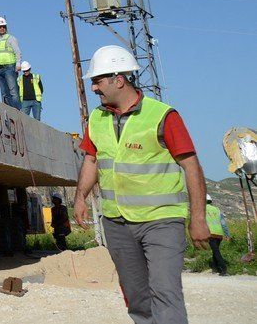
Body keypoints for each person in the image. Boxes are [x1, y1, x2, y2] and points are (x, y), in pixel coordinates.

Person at [72, 45, 208, 324]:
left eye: (97, 81)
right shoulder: (97, 118)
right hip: (116, 222)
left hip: (161, 221)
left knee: (165, 292)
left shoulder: (162, 116)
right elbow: (91, 160)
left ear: (118, 79)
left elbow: (191, 166)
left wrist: (198, 219)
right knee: (136, 297)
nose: (94, 88)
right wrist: (80, 198)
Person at [0, 16, 22, 108]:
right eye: (0, 27)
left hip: (9, 68)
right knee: (5, 93)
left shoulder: (11, 38)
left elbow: (17, 52)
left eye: (3, 26)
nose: (2, 28)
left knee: (13, 91)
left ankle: (17, 111)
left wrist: (18, 63)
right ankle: (11, 110)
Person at [205, 194, 229, 275]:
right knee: (215, 251)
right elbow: (223, 224)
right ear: (211, 201)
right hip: (219, 234)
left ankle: (223, 268)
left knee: (216, 252)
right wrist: (227, 234)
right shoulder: (217, 209)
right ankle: (215, 269)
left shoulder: (202, 209)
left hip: (210, 234)